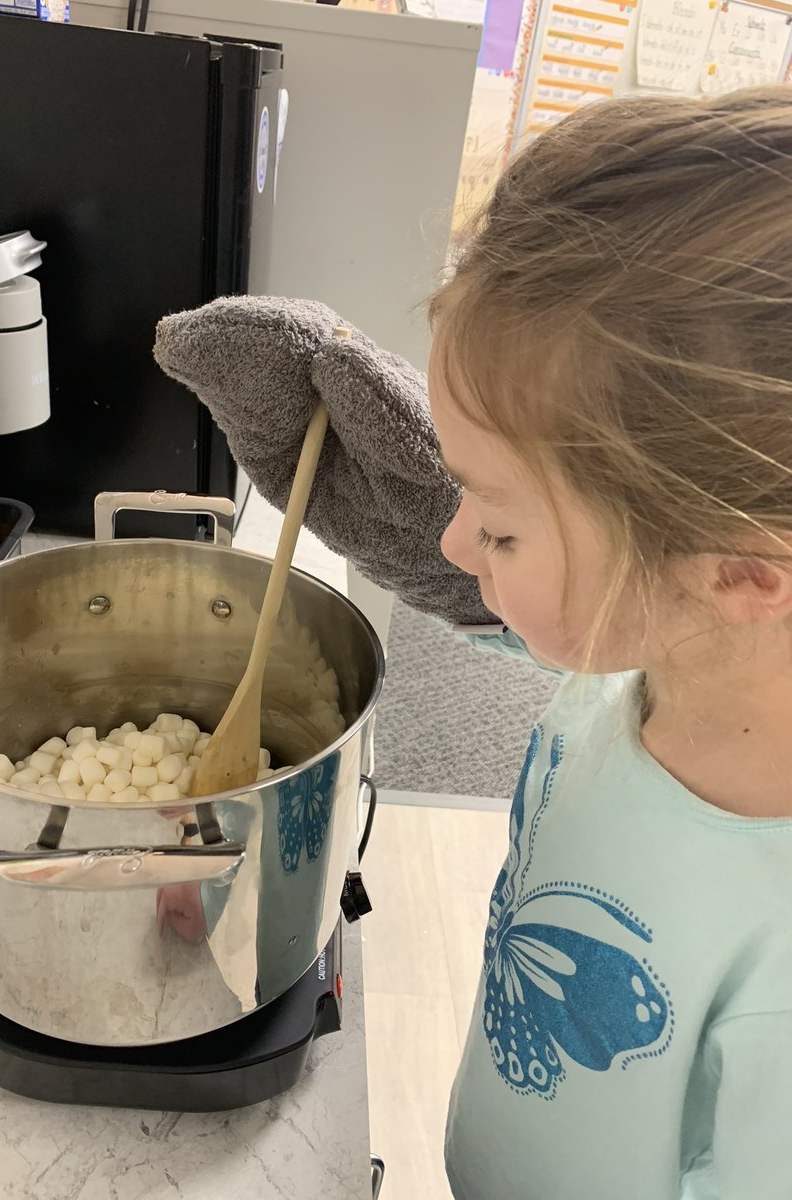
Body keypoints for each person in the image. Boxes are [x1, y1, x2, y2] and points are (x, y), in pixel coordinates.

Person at [154, 86, 792, 1199]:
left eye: (493, 521)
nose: (454, 541)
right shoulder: (656, 663)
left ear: (737, 573)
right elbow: (537, 622)